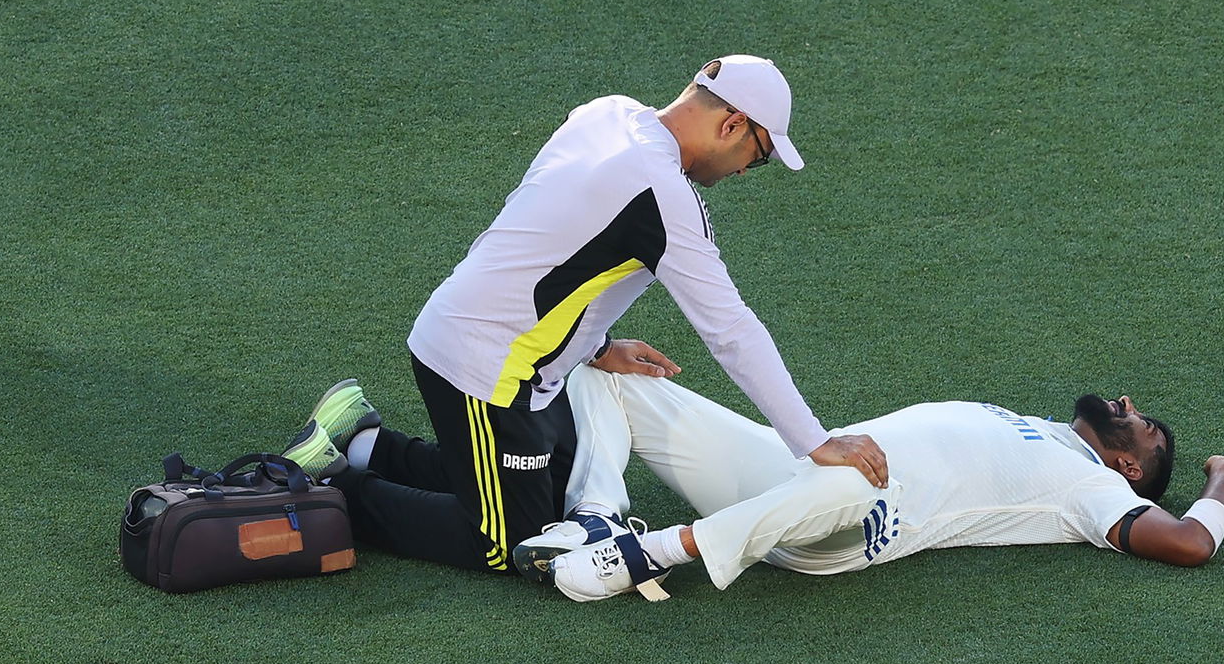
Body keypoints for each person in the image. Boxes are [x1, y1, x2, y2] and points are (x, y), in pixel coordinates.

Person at [280, 56, 887, 576]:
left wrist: (596, 348)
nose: (741, 174)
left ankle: (359, 439)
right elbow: (730, 330)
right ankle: (327, 493)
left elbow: (556, 239)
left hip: (482, 341)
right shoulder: (666, 197)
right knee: (510, 541)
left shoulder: (606, 112)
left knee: (549, 488)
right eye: (754, 159)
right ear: (731, 124)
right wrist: (814, 442)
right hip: (487, 369)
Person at [517, 365, 1224, 602]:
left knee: (854, 485)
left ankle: (655, 555)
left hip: (851, 524)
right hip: (789, 472)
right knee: (606, 373)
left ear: (1132, 469)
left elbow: (1191, 543)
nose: (1128, 406)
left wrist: (1223, 477)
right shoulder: (1039, 427)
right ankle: (596, 517)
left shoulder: (1098, 493)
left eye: (1144, 426)